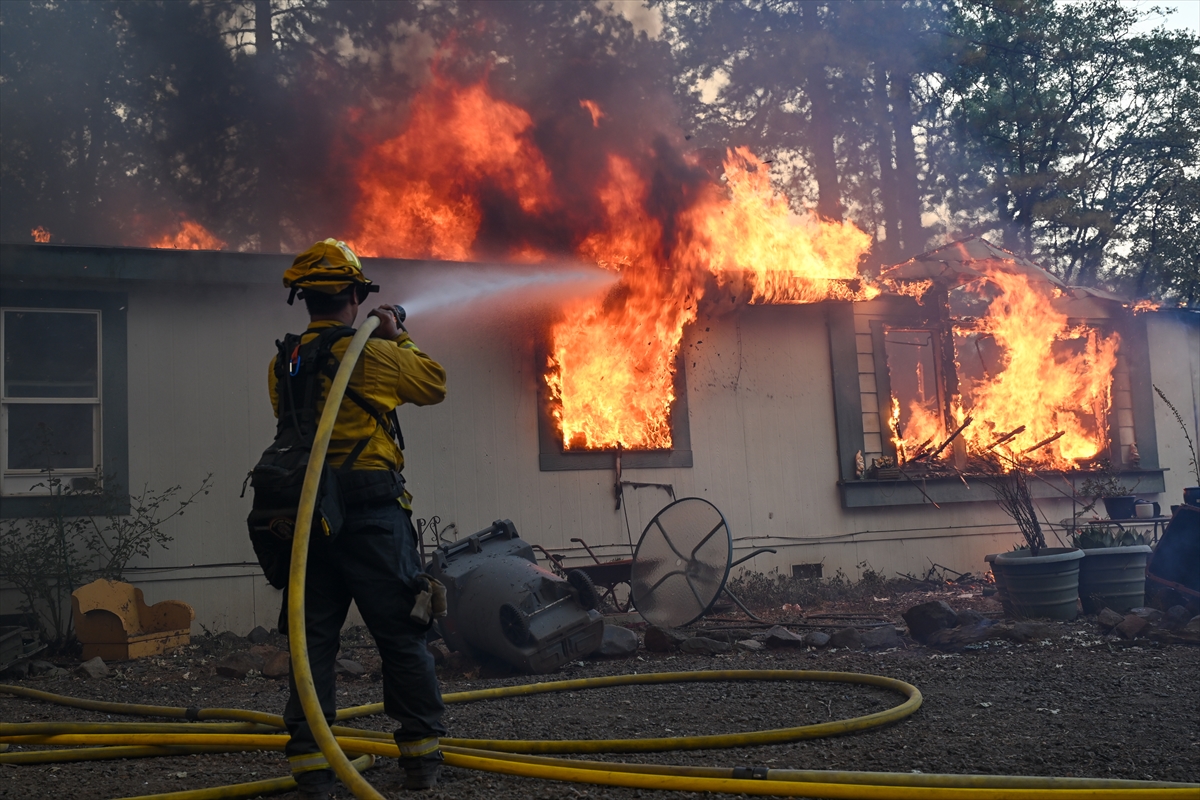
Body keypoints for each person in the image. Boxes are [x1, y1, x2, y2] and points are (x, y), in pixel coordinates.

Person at [271, 239, 448, 796]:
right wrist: (399, 333)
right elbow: (433, 384)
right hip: (371, 511)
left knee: (312, 640)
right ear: (353, 294)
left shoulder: (286, 360)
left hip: (308, 517)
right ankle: (420, 755)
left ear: (305, 299)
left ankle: (311, 764)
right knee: (400, 633)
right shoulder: (370, 352)